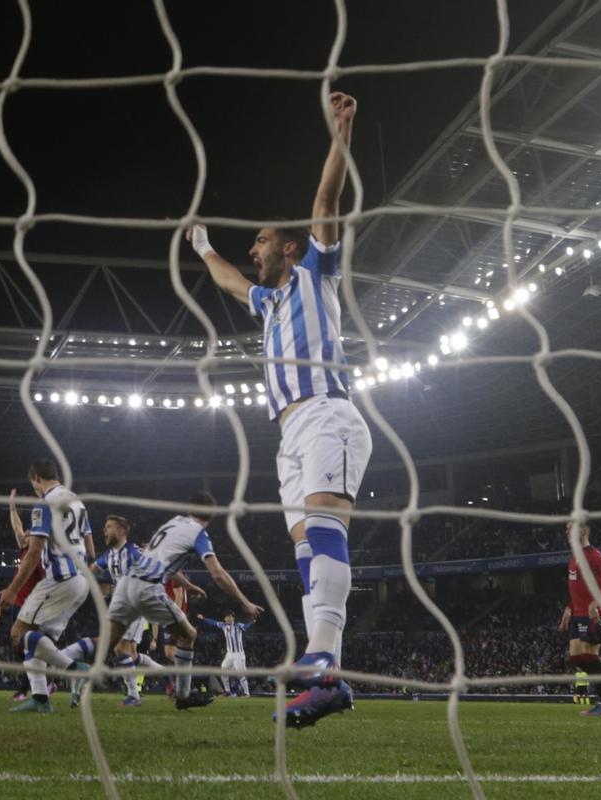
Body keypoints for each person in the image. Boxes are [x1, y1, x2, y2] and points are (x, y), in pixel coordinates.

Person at [187, 90, 369, 728]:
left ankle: (324, 668)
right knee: (302, 555)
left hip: (327, 414)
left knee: (324, 537)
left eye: (260, 241)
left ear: (289, 248)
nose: (253, 250)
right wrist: (202, 247)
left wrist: (340, 131)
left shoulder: (315, 272)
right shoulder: (266, 306)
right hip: (289, 434)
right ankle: (328, 674)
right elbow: (229, 281)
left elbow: (325, 203)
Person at [105, 492, 263, 711]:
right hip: (147, 587)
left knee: (112, 644)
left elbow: (158, 559)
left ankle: (75, 666)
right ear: (213, 515)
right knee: (188, 635)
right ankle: (183, 695)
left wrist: (187, 586)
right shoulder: (199, 533)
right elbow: (218, 574)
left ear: (190, 509)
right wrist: (245, 603)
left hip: (125, 585)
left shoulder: (173, 523)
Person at [0, 459, 96, 713]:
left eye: (34, 486)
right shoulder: (77, 502)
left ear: (37, 479)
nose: (35, 490)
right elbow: (91, 551)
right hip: (81, 580)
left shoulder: (44, 503)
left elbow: (34, 553)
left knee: (18, 634)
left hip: (60, 578)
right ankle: (41, 699)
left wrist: (13, 589)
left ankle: (75, 672)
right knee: (37, 641)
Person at [93, 514, 158, 707]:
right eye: (104, 527)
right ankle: (171, 675)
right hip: (121, 606)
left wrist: (186, 585)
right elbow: (91, 569)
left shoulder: (133, 552)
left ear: (122, 530)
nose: (104, 530)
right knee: (131, 654)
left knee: (120, 648)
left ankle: (133, 696)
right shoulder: (108, 555)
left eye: (109, 526)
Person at [556, 523, 601, 716]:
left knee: (588, 656)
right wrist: (569, 608)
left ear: (584, 531)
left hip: (591, 615)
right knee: (575, 658)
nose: (566, 532)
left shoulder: (594, 557)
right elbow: (579, 591)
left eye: (571, 528)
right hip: (578, 613)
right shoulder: (574, 560)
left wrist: (595, 604)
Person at [7, 489, 46, 702]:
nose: (26, 533)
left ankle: (25, 688)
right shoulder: (25, 551)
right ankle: (43, 681)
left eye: (31, 533)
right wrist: (12, 506)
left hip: (34, 606)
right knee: (17, 644)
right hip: (18, 603)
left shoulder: (41, 558)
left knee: (26, 645)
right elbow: (16, 526)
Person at [198, 611, 254, 697]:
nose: (228, 618)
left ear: (233, 618)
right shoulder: (223, 625)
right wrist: (204, 618)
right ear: (224, 618)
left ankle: (247, 693)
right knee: (223, 670)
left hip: (238, 654)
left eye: (230, 617)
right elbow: (213, 622)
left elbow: (246, 627)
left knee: (240, 674)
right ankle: (227, 691)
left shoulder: (238, 626)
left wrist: (252, 622)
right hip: (229, 654)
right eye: (226, 617)